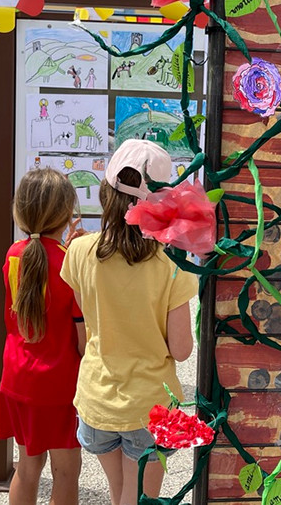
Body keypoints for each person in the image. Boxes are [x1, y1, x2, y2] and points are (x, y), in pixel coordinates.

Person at [60, 140, 197, 505]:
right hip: (149, 406)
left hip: (97, 401)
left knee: (119, 493)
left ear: (106, 192)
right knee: (136, 499)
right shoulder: (171, 268)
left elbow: (85, 308)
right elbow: (181, 350)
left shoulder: (78, 251)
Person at [0, 168, 85, 505]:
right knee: (66, 472)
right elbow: (81, 338)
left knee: (27, 467)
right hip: (59, 383)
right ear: (65, 214)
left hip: (18, 376)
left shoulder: (14, 254)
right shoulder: (69, 263)